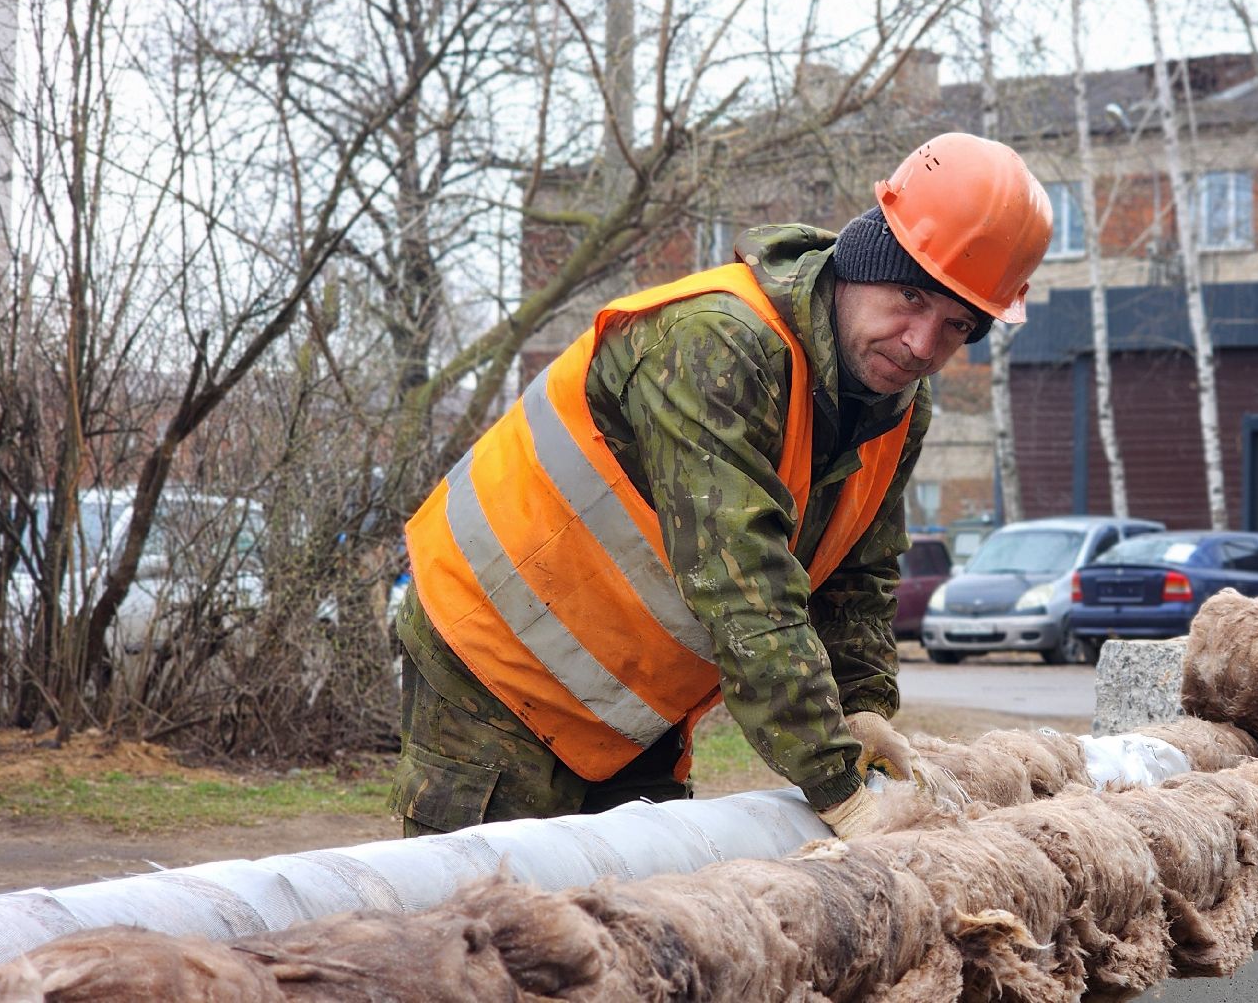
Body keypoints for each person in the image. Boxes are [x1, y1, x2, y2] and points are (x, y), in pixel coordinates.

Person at [391, 132, 1052, 840]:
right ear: (862, 260)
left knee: (636, 918)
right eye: (910, 296)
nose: (922, 344)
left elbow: (860, 574)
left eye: (955, 326)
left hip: (630, 691)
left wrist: (861, 710)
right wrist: (836, 784)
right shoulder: (716, 343)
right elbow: (742, 582)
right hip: (494, 651)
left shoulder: (898, 406)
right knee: (489, 921)